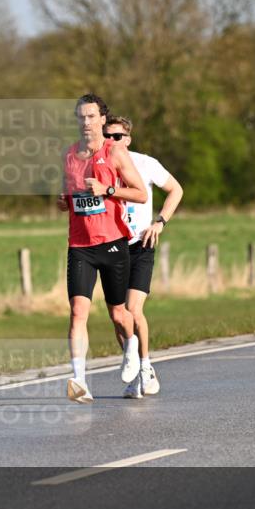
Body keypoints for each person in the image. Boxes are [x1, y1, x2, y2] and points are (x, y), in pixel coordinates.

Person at [57, 94, 148, 404]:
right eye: (81, 117)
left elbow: (141, 194)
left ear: (102, 120)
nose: (86, 122)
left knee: (118, 313)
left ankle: (132, 350)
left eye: (91, 117)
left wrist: (108, 189)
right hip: (80, 245)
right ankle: (79, 381)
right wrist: (63, 200)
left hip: (112, 244)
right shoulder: (69, 154)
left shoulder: (115, 153)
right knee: (77, 312)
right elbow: (69, 195)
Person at [102, 115, 184, 398]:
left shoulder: (145, 163)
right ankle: (133, 368)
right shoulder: (99, 165)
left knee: (134, 310)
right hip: (112, 246)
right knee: (117, 316)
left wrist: (160, 221)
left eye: (117, 136)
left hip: (141, 244)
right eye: (107, 136)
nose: (112, 141)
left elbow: (176, 190)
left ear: (128, 139)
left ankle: (147, 366)